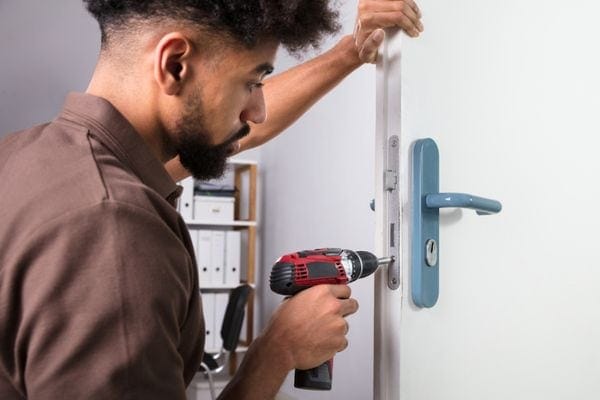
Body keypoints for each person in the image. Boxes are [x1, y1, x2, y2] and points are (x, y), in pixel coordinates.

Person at [0, 0, 422, 399]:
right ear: (175, 64)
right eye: (252, 82)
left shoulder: (28, 158)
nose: (256, 111)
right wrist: (276, 353)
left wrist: (352, 51)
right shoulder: (114, 233)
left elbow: (234, 130)